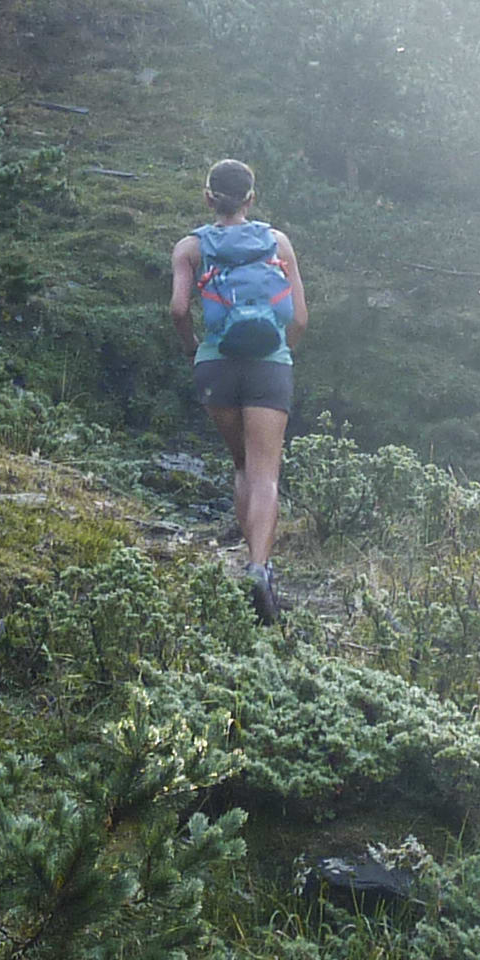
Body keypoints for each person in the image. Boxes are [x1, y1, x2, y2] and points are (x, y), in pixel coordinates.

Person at [171, 159, 305, 623]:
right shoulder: (277, 242)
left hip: (216, 365)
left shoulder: (190, 247)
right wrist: (280, 353)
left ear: (208, 197)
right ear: (251, 198)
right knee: (266, 471)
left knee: (242, 463)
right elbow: (301, 318)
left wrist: (194, 350)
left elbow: (177, 310)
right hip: (269, 365)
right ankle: (259, 568)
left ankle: (250, 563)